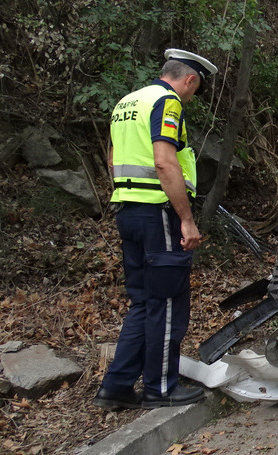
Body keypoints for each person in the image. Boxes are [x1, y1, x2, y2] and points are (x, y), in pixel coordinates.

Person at [93, 49, 218, 410]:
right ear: (189, 79)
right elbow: (164, 162)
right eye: (195, 89)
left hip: (127, 212)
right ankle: (160, 389)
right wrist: (186, 218)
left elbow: (113, 159)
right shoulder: (167, 102)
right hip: (157, 214)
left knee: (143, 303)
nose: (192, 97)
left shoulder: (127, 102)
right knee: (166, 304)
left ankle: (115, 386)